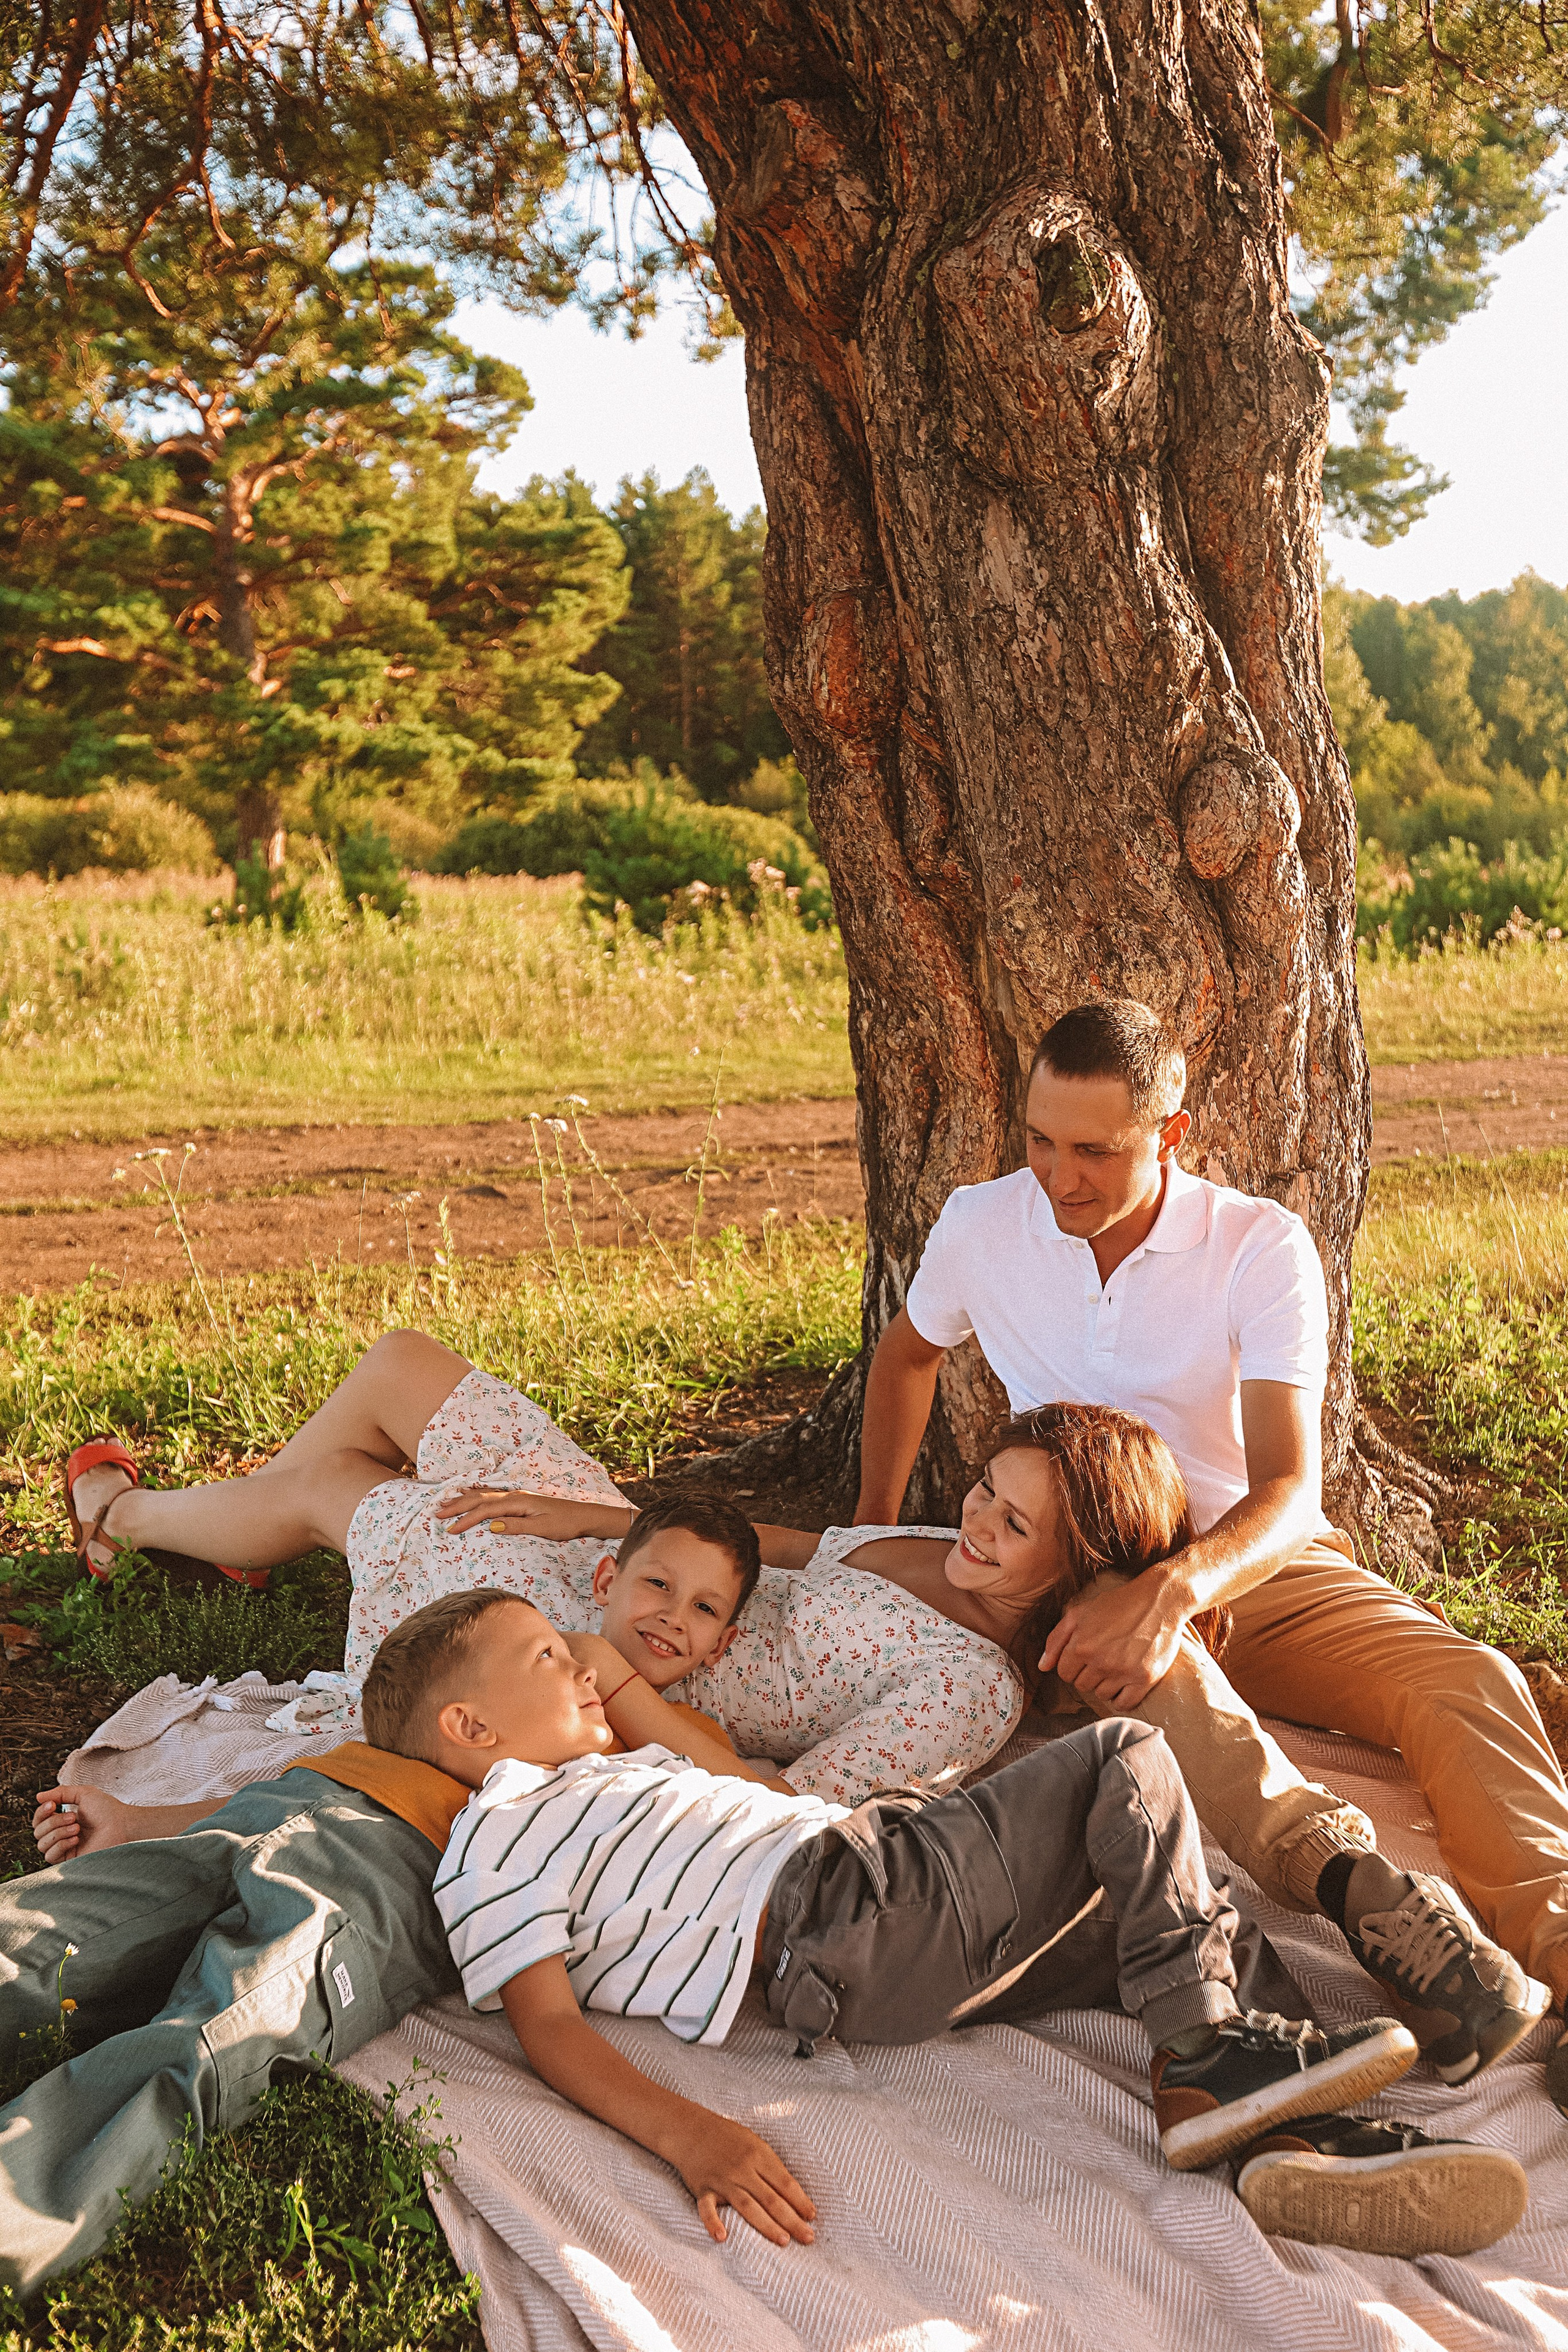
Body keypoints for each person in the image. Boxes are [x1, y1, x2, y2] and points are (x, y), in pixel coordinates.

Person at [853, 995, 1565, 2090]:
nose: (1060, 1178)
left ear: (1170, 1134)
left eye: (1095, 1151)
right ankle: (1388, 1917)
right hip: (1068, 1565)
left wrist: (1178, 1587)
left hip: (1240, 1559)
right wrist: (871, 1529)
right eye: (1040, 1142)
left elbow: (1288, 1488)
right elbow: (907, 1358)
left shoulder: (1258, 1246)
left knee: (1464, 1677)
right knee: (1142, 1656)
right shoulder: (982, 1224)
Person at [406, 1586, 1523, 2263]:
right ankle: (1204, 2053)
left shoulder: (610, 1774)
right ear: (469, 1726)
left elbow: (726, 1776)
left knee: (1188, 1900)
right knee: (1122, 1757)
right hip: (845, 1905)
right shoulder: (501, 1830)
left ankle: (1291, 2141)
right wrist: (692, 2135)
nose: (582, 1661)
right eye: (547, 1657)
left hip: (889, 1929)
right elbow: (547, 2026)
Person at [2, 1498, 770, 2293]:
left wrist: (615, 1684)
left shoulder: (656, 1743)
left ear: (725, 1641)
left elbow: (752, 1799)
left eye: (705, 1608)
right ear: (608, 1580)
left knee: (215, 2035)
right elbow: (340, 1764)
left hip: (388, 1873)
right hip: (294, 1803)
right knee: (47, 1931)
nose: (671, 1617)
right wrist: (140, 1822)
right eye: (658, 1585)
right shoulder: (506, 1656)